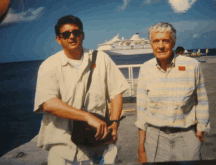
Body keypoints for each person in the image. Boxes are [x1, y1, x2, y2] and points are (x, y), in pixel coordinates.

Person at [34, 15, 129, 164]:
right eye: (66, 34)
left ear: (82, 35)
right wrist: (87, 117)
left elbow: (116, 92)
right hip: (63, 148)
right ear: (58, 39)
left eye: (76, 32)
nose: (71, 37)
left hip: (98, 144)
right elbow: (49, 103)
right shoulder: (49, 66)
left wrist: (115, 122)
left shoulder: (101, 59)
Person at [136, 22, 210, 163]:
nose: (161, 46)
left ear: (173, 43)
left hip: (187, 134)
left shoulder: (192, 66)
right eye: (156, 41)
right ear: (151, 44)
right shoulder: (145, 69)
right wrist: (141, 147)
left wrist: (200, 131)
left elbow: (202, 100)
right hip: (155, 137)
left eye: (166, 41)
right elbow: (141, 110)